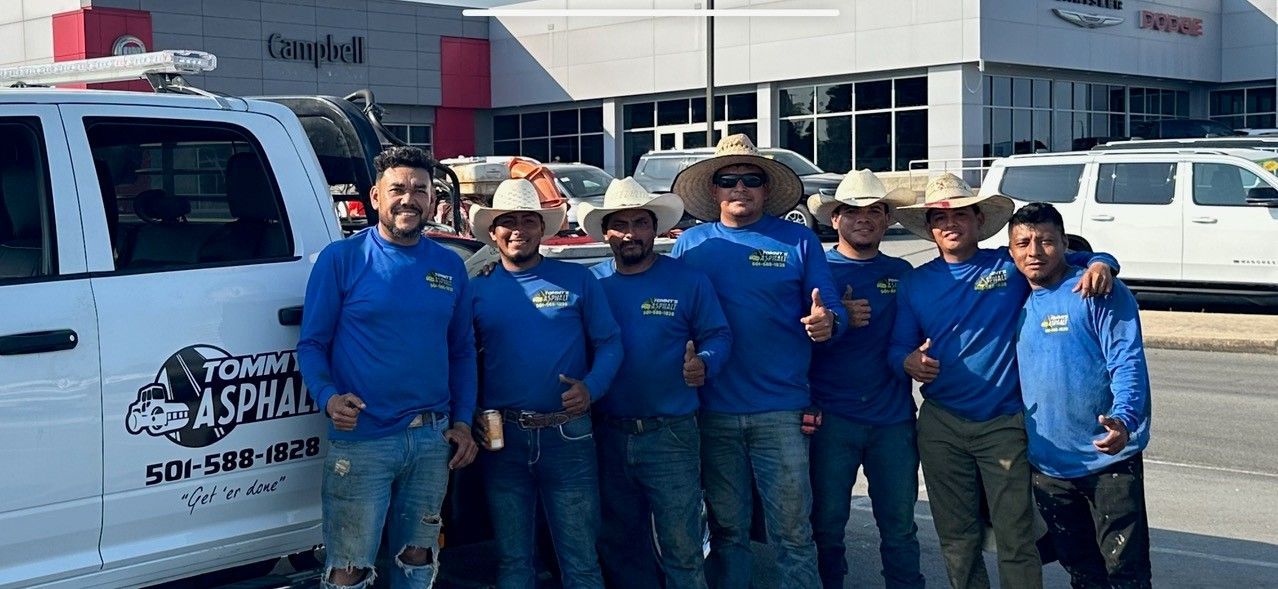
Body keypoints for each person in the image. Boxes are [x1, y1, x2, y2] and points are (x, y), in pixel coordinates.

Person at [889, 173, 1119, 589]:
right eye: (940, 219)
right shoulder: (915, 281)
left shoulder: (1006, 265)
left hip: (1005, 423)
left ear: (978, 220)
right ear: (930, 229)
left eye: (960, 214)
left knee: (1015, 536)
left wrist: (1103, 260)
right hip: (941, 424)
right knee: (957, 537)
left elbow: (1067, 257)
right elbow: (897, 347)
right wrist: (909, 361)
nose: (950, 224)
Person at [297, 146, 478, 589]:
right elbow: (312, 344)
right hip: (363, 439)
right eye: (397, 188)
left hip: (431, 438)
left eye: (421, 190)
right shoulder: (342, 259)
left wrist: (463, 422)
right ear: (375, 197)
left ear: (433, 200)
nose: (409, 199)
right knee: (349, 568)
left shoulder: (449, 266)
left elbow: (461, 352)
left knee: (416, 558)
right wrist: (328, 396)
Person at [669, 134, 845, 589]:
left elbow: (831, 308)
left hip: (781, 411)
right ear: (714, 190)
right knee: (728, 533)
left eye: (752, 179)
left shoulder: (799, 240)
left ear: (766, 189)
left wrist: (830, 322)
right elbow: (668, 314)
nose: (740, 188)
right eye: (729, 180)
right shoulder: (690, 245)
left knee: (792, 533)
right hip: (713, 412)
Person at [576, 177, 732, 589]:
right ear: (605, 232)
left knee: (681, 549)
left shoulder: (688, 280)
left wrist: (705, 362)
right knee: (622, 547)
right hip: (607, 433)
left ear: (655, 228)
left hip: (671, 435)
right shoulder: (591, 283)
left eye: (640, 223)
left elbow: (719, 335)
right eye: (620, 224)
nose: (630, 233)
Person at [467, 178, 623, 589]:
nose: (518, 229)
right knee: (513, 563)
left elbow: (609, 343)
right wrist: (469, 415)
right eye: (507, 221)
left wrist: (592, 387)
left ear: (542, 227)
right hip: (502, 439)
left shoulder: (578, 281)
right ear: (493, 231)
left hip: (568, 436)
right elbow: (461, 361)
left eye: (528, 220)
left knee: (581, 563)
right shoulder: (476, 290)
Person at [1008, 202, 1153, 589]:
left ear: (1064, 243)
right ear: (1011, 251)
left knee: (1125, 572)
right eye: (1023, 243)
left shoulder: (1095, 289)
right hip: (1049, 466)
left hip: (1108, 459)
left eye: (1046, 241)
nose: (1034, 252)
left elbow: (1127, 361)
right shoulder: (1012, 294)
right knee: (1082, 572)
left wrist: (1124, 419)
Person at [804, 170, 924, 589]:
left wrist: (1095, 259)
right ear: (834, 219)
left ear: (887, 218)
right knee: (827, 526)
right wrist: (837, 323)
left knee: (900, 526)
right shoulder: (817, 271)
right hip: (831, 420)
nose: (863, 219)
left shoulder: (904, 271)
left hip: (893, 420)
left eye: (874, 210)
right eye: (852, 211)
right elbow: (792, 343)